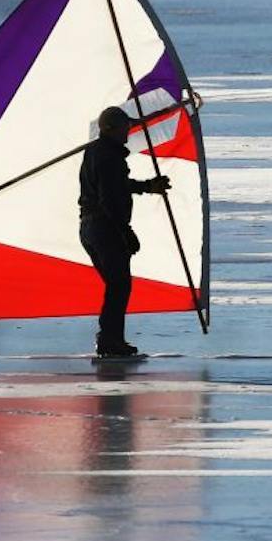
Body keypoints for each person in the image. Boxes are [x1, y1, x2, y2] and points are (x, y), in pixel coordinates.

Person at [78, 105, 171, 356]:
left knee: (116, 285)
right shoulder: (109, 156)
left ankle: (110, 338)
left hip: (89, 227)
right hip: (103, 227)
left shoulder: (97, 153)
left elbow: (116, 185)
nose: (128, 131)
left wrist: (147, 187)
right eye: (124, 127)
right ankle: (109, 340)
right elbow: (109, 198)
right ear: (112, 129)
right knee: (119, 285)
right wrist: (124, 231)